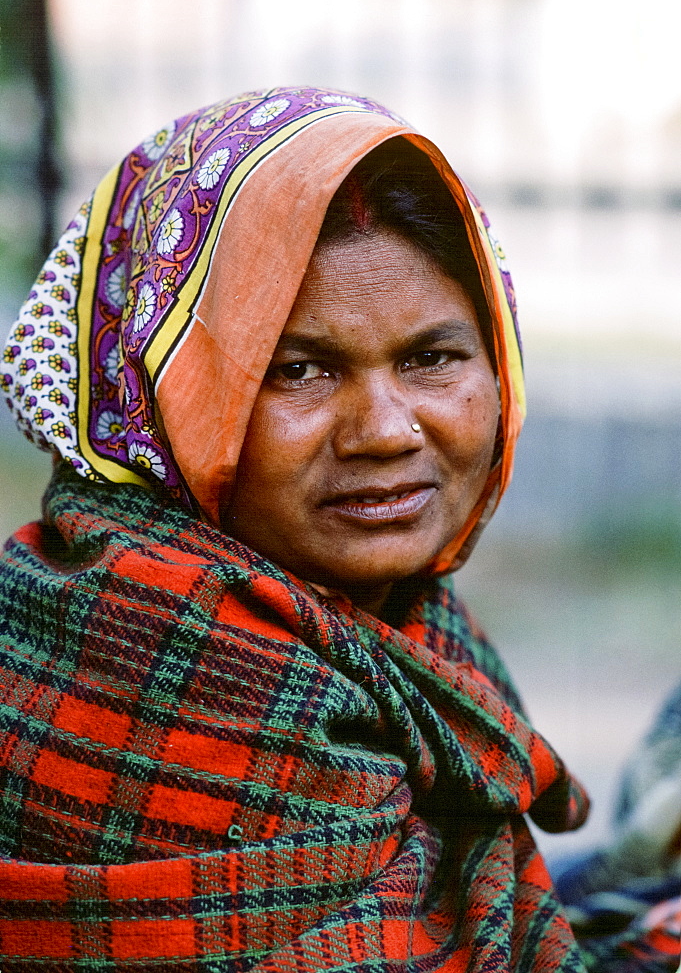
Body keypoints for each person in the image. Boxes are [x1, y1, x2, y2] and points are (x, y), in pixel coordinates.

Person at [0, 86, 677, 971]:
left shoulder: (381, 625)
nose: (387, 430)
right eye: (301, 370)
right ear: (173, 393)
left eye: (431, 358)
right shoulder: (167, 651)